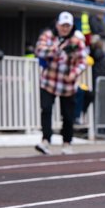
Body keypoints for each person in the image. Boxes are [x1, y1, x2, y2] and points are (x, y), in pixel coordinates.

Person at [34, 12, 87, 155]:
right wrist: (58, 49)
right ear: (57, 24)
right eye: (63, 25)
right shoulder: (48, 36)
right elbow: (39, 51)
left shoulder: (77, 41)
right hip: (49, 80)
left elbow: (83, 61)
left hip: (67, 84)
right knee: (46, 109)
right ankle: (45, 140)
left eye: (67, 26)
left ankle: (67, 142)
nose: (65, 28)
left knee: (68, 115)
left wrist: (74, 73)